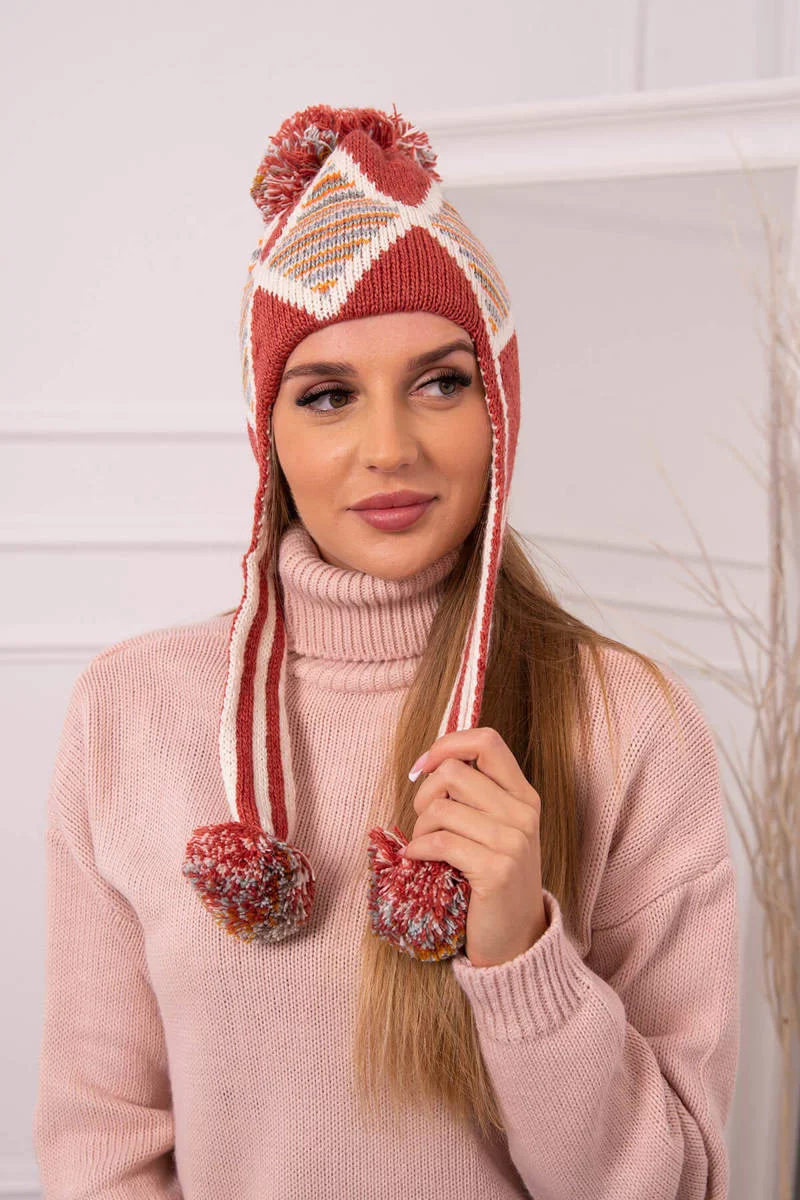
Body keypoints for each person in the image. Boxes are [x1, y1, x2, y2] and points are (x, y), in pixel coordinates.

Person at [32, 103, 740, 1199]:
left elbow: (674, 1183)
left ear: (498, 406)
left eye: (440, 382)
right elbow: (101, 1150)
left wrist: (520, 954)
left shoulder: (628, 722)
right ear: (268, 433)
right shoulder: (129, 710)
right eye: (327, 396)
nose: (389, 448)